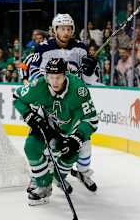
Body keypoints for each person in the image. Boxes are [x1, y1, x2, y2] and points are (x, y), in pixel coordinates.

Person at [21, 14, 100, 192]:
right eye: (62, 28)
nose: (66, 32)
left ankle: (82, 173)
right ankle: (39, 178)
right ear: (54, 30)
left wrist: (91, 69)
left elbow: (91, 80)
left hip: (71, 104)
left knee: (83, 143)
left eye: (69, 28)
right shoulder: (43, 48)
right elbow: (31, 73)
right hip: (49, 104)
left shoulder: (81, 48)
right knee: (42, 141)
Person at [13, 58, 98, 205]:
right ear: (46, 76)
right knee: (31, 147)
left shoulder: (79, 89)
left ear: (65, 75)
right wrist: (28, 114)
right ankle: (43, 184)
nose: (54, 82)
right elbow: (17, 97)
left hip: (69, 130)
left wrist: (76, 138)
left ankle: (57, 177)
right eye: (51, 77)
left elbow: (92, 120)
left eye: (58, 77)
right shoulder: (39, 85)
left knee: (71, 153)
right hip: (46, 125)